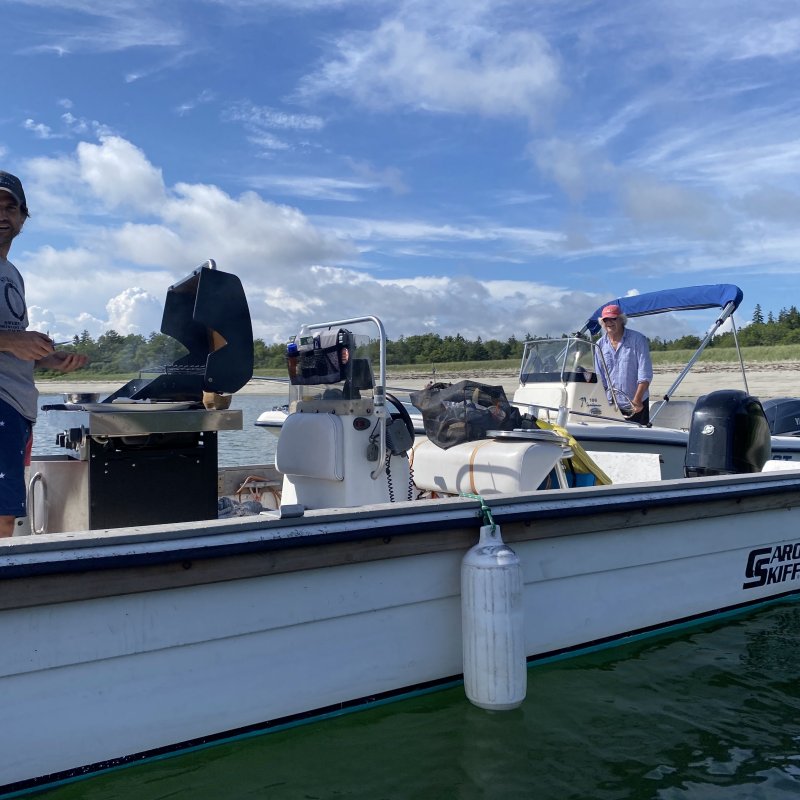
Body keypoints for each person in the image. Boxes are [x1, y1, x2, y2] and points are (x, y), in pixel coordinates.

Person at [0, 170, 89, 537]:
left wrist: (45, 359)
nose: (3, 214)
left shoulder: (13, 274)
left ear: (23, 217)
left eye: (11, 206)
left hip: (18, 408)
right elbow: (8, 342)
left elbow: (12, 345)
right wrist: (11, 342)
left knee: (6, 515)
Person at [593, 303, 653, 424]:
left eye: (613, 319)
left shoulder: (638, 339)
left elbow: (645, 374)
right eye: (606, 320)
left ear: (621, 320)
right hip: (612, 405)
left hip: (636, 404)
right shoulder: (599, 344)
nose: (609, 323)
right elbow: (600, 378)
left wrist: (637, 400)